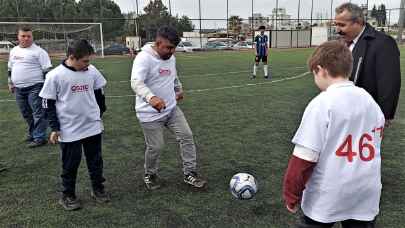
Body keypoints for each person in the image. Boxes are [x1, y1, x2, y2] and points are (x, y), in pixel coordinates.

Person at [283, 40, 385, 228]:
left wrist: (291, 194)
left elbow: (303, 158)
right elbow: (376, 139)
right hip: (365, 192)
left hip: (328, 193)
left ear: (321, 70)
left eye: (314, 74)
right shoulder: (369, 101)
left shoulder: (322, 103)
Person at [131, 26, 207, 190]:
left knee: (187, 136)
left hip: (171, 109)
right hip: (149, 114)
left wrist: (178, 88)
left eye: (174, 48)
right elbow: (136, 82)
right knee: (156, 147)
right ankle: (150, 174)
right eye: (169, 47)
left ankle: (190, 174)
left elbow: (173, 74)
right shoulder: (144, 58)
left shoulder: (170, 57)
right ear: (158, 43)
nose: (172, 51)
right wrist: (152, 98)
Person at [39, 40, 109, 211]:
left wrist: (99, 113)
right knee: (70, 163)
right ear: (72, 57)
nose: (88, 65)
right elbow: (47, 103)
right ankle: (68, 195)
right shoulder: (55, 75)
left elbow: (99, 93)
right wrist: (55, 128)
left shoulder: (91, 71)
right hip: (69, 129)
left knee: (95, 161)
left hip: (92, 126)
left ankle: (98, 188)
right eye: (85, 61)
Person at [335, 2, 401, 126]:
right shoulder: (342, 43)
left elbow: (389, 82)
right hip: (342, 111)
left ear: (358, 22)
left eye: (342, 25)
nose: (337, 30)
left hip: (366, 115)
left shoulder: (383, 43)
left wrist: (384, 114)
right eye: (336, 25)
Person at [7, 27, 52, 147]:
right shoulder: (14, 51)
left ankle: (39, 137)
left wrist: (47, 88)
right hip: (18, 88)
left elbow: (47, 70)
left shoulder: (39, 51)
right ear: (18, 37)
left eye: (29, 36)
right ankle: (33, 133)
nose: (26, 38)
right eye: (23, 36)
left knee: (38, 113)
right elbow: (10, 68)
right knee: (26, 113)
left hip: (36, 86)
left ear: (32, 37)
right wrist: (10, 82)